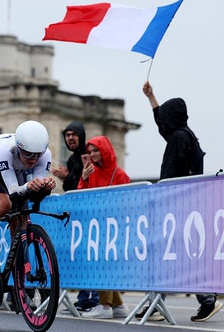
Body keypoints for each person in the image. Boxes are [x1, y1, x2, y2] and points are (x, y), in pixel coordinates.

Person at [139, 81, 222, 323]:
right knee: (177, 255)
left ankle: (203, 299)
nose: (162, 120)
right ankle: (202, 299)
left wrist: (159, 198)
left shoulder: (178, 139)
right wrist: (151, 98)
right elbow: (163, 125)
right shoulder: (184, 135)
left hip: (177, 206)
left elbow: (171, 176)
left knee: (165, 255)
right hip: (187, 206)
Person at [0, 120, 56, 273]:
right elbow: (14, 191)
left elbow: (34, 195)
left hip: (14, 172)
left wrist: (44, 188)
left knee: (21, 219)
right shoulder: (5, 149)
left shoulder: (45, 155)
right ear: (19, 147)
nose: (33, 159)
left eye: (38, 155)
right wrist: (30, 186)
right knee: (4, 205)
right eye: (28, 154)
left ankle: (18, 283)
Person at [76, 136, 130, 319]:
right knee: (102, 262)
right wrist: (83, 179)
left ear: (105, 150)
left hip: (113, 226)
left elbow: (129, 201)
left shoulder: (120, 173)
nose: (92, 154)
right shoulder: (91, 171)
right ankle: (118, 305)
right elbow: (80, 196)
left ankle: (105, 305)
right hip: (96, 225)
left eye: (96, 150)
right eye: (90, 151)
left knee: (104, 263)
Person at [51, 121, 98, 312]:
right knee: (80, 255)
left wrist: (66, 177)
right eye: (67, 135)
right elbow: (73, 186)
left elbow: (85, 182)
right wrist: (67, 177)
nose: (70, 138)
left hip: (92, 213)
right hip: (79, 214)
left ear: (81, 136)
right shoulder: (73, 159)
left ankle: (93, 299)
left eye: (74, 134)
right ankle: (84, 298)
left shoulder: (90, 156)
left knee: (91, 257)